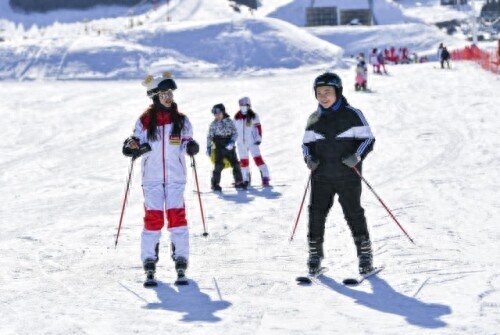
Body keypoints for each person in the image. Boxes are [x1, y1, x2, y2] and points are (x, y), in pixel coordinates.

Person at [122, 72, 200, 285]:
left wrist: (190, 146)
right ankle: (149, 260)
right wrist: (131, 146)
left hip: (175, 177)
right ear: (155, 96)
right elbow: (136, 141)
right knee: (154, 218)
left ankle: (181, 259)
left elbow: (185, 142)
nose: (169, 97)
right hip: (152, 179)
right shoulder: (145, 121)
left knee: (177, 217)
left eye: (170, 93)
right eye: (164, 93)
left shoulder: (181, 120)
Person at [302, 72, 376, 276]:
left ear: (338, 92)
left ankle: (365, 255)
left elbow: (368, 140)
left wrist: (357, 156)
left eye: (328, 92)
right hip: (321, 176)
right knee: (316, 213)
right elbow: (306, 145)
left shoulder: (352, 114)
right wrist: (309, 159)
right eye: (319, 93)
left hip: (347, 175)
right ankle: (315, 255)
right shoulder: (313, 119)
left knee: (353, 213)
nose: (323, 96)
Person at [206, 103, 245, 192]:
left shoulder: (229, 122)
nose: (217, 116)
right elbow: (209, 136)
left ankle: (239, 181)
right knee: (218, 165)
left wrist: (232, 142)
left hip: (229, 146)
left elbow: (235, 133)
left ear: (223, 112)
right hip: (218, 147)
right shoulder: (213, 124)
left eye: (218, 113)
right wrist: (208, 147)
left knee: (235, 164)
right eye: (215, 114)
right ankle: (215, 184)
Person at [234, 97, 271, 187]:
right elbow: (234, 130)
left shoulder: (254, 116)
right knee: (244, 162)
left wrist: (258, 139)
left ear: (248, 105)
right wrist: (233, 141)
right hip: (241, 143)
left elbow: (258, 128)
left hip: (252, 142)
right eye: (241, 105)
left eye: (244, 105)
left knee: (258, 159)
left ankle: (265, 177)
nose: (242, 107)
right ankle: (245, 179)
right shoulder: (236, 117)